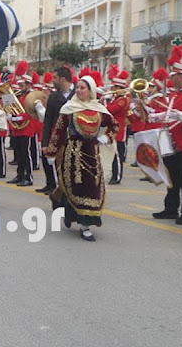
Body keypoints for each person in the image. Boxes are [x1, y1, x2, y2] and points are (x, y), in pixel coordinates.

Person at [43, 75, 119, 241]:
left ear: (90, 91)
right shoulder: (69, 108)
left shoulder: (99, 109)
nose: (78, 90)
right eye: (77, 87)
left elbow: (114, 125)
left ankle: (82, 222)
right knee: (75, 185)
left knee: (92, 187)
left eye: (82, 88)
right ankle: (76, 219)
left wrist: (106, 138)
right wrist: (51, 152)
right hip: (73, 153)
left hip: (92, 153)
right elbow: (58, 132)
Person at [149, 46, 182, 224]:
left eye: (173, 75)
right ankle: (171, 208)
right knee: (172, 178)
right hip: (172, 144)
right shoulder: (175, 94)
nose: (171, 78)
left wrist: (181, 115)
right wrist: (156, 116)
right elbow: (169, 114)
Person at [37, 66, 74, 194]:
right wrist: (45, 143)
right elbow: (48, 121)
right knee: (57, 166)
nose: (52, 80)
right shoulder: (53, 96)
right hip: (58, 137)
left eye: (55, 78)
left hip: (75, 138)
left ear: (62, 79)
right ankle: (56, 188)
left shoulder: (77, 94)